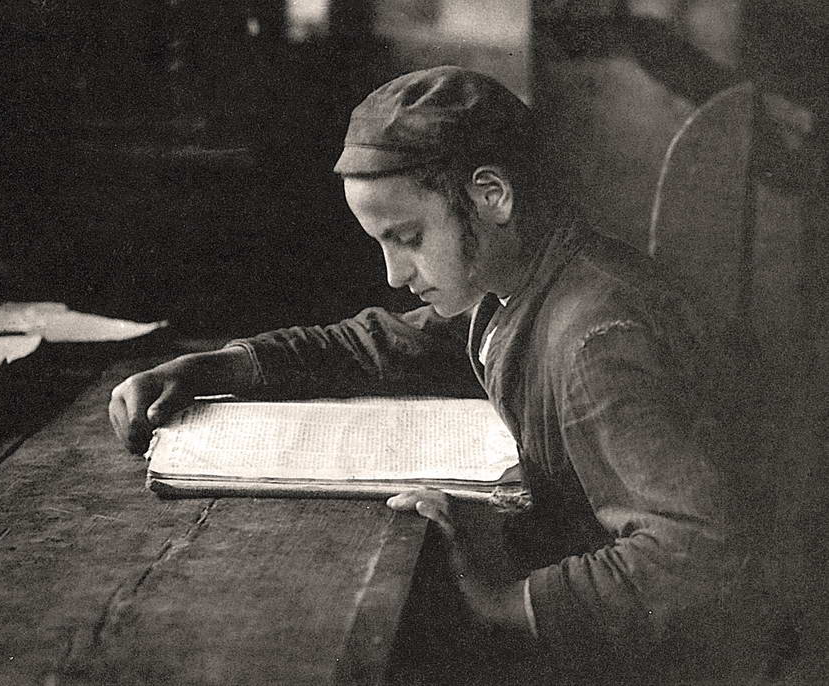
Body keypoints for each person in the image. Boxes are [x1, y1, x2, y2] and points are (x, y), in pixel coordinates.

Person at [109, 66, 769, 683]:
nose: (395, 274)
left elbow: (699, 552)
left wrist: (500, 601)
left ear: (492, 195)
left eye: (408, 238)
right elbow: (377, 344)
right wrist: (213, 367)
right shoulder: (517, 288)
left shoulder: (594, 340)